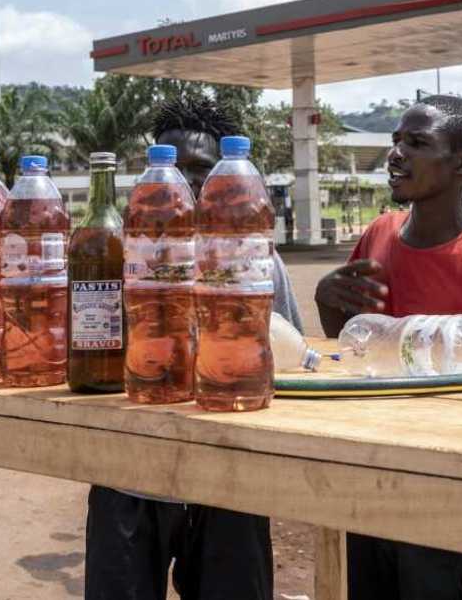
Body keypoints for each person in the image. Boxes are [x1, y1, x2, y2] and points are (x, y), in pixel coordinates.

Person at [315, 94, 462, 600]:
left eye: (416, 143)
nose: (396, 154)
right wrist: (327, 302)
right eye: (396, 141)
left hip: (451, 506)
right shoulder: (377, 236)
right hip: (370, 490)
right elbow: (353, 351)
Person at [83, 96, 303, 600]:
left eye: (200, 172)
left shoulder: (257, 260)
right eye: (172, 170)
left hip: (229, 484)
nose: (182, 188)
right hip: (128, 477)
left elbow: (283, 361)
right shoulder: (119, 254)